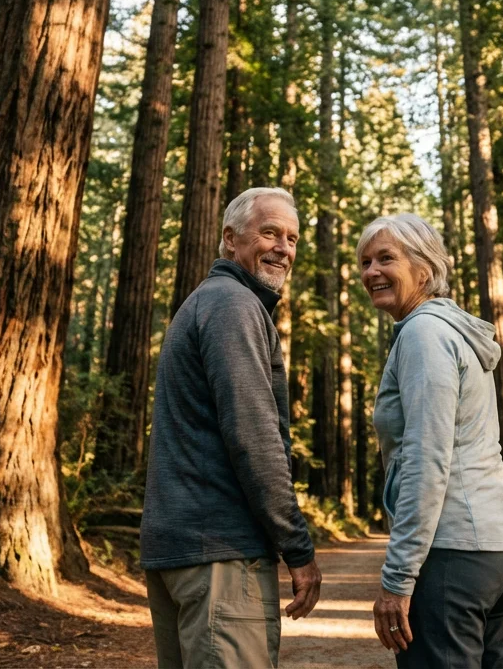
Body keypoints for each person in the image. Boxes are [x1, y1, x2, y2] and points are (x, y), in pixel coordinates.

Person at [140, 187, 323, 669]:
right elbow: (254, 437)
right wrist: (297, 549)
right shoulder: (233, 306)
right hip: (219, 560)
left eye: (292, 238)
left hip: (184, 554)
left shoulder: (210, 302)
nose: (283, 248)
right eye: (269, 232)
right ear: (230, 239)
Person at [358, 213, 503, 669]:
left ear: (425, 268)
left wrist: (398, 578)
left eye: (385, 259)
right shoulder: (453, 333)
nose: (371, 271)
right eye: (364, 262)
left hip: (454, 555)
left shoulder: (423, 334)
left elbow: (425, 459)